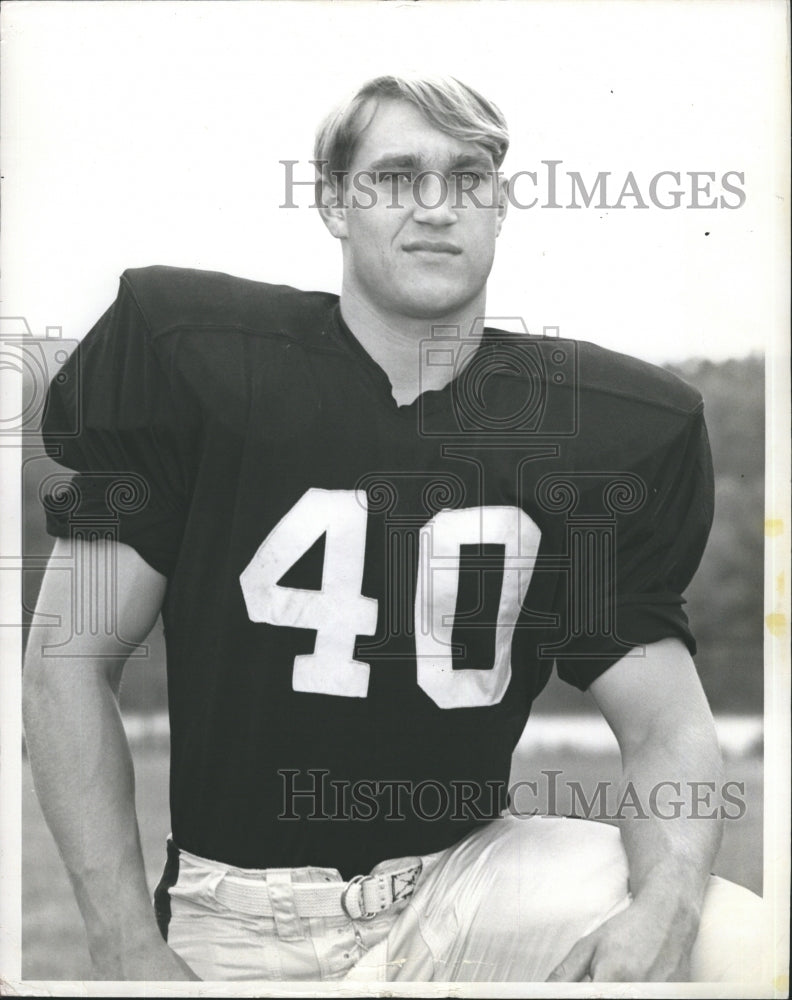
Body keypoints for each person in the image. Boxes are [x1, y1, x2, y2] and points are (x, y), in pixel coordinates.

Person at [24, 74, 763, 983]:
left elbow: (665, 725)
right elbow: (66, 665)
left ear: (502, 203)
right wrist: (125, 943)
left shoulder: (597, 430)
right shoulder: (193, 362)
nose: (436, 207)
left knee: (747, 952)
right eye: (397, 175)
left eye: (468, 177)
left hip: (470, 877)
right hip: (239, 912)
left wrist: (666, 905)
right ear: (334, 202)